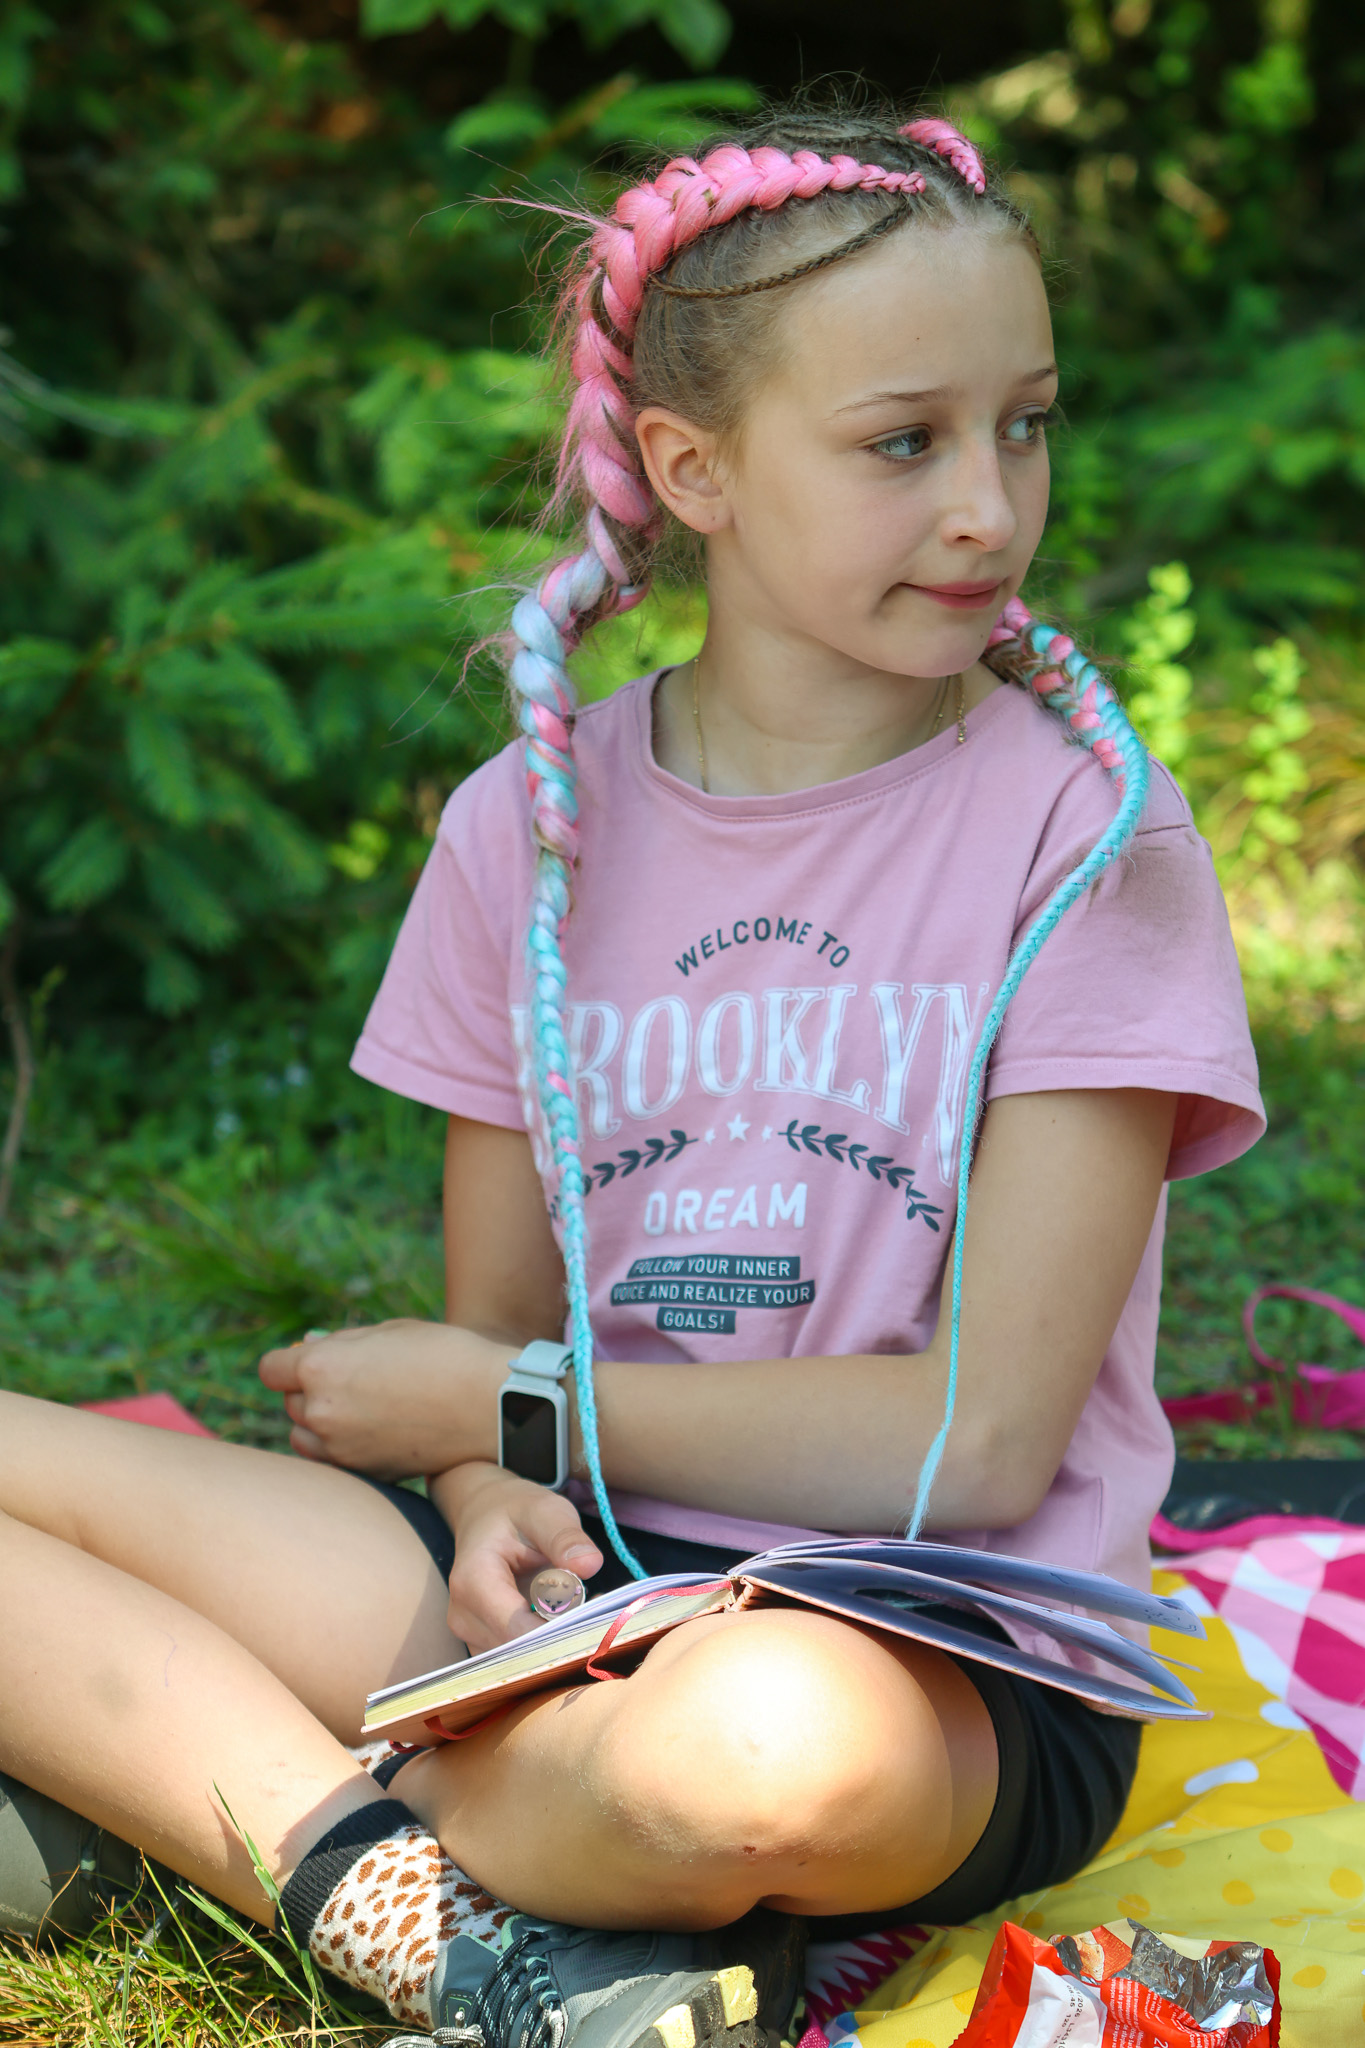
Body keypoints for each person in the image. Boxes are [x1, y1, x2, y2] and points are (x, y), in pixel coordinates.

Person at [0, 100, 1264, 2048]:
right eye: (903, 442)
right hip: (571, 1591)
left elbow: (982, 1442)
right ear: (692, 467)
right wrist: (479, 1482)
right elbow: (499, 1354)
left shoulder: (1086, 834)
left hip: (923, 1653)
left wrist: (501, 1407)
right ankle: (429, 1908)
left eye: (1024, 424)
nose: (987, 509)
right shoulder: (527, 826)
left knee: (739, 1758)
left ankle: (206, 1790)